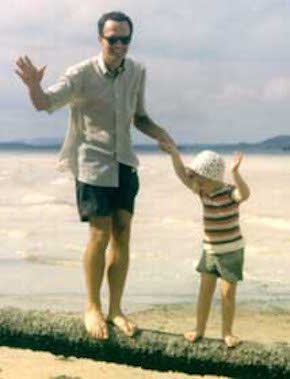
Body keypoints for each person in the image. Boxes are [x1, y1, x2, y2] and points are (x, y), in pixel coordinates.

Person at [15, 11, 175, 340]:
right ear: (100, 39)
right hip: (92, 162)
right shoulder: (81, 74)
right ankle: (92, 306)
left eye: (124, 39)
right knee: (99, 236)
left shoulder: (137, 71)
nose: (119, 45)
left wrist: (162, 134)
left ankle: (116, 309)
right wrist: (34, 86)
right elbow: (44, 103)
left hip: (125, 161)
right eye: (112, 38)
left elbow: (140, 117)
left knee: (123, 233)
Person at [161, 144, 250, 348]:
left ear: (213, 178)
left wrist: (236, 174)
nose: (197, 186)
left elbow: (245, 194)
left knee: (227, 294)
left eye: (200, 182)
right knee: (205, 291)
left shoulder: (229, 192)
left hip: (231, 252)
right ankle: (199, 329)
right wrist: (175, 155)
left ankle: (227, 332)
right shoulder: (203, 192)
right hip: (209, 251)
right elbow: (182, 176)